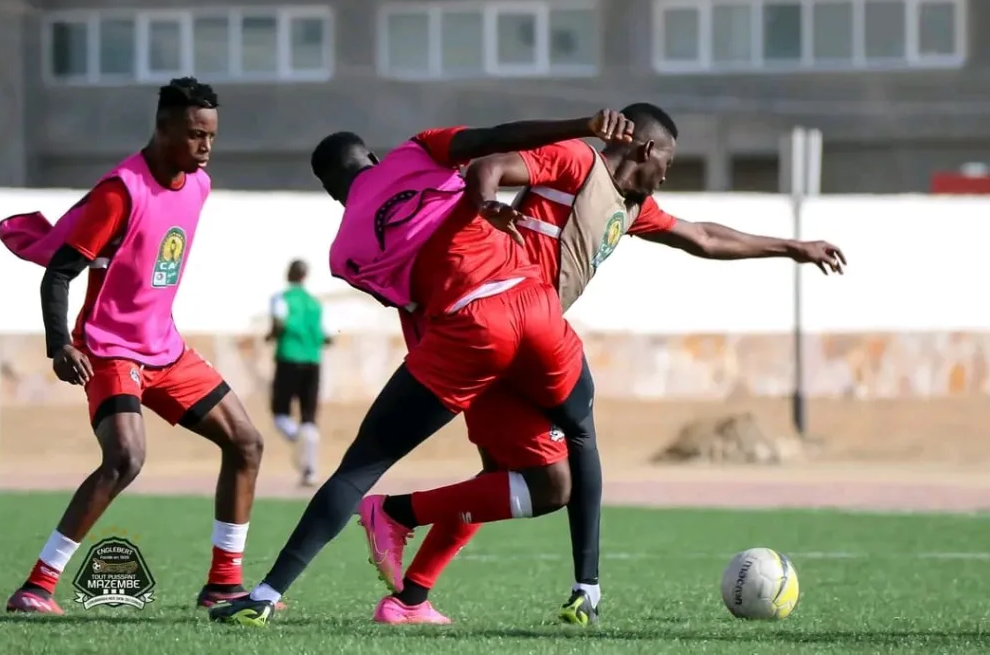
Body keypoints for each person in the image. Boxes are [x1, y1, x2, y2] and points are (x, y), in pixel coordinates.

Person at [373, 102, 846, 626]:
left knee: (504, 479)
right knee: (555, 477)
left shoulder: (632, 208)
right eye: (667, 159)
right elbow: (490, 165)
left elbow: (704, 237)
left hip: (522, 339)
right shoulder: (574, 163)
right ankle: (406, 519)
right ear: (646, 149)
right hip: (497, 324)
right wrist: (487, 204)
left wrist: (792, 247)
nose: (668, 172)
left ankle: (409, 598)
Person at [208, 109, 635, 627]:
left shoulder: (345, 254)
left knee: (359, 468)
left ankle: (268, 593)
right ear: (372, 158)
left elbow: (416, 310)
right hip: (536, 307)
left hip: (469, 334)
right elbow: (499, 138)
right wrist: (586, 124)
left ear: (331, 192)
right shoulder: (418, 151)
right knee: (580, 436)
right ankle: (586, 585)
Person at [0, 77, 274, 615]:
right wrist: (59, 346)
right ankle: (36, 586)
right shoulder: (120, 190)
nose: (206, 147)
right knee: (126, 458)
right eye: (195, 135)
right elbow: (59, 275)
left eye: (212, 136)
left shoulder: (198, 185)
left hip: (165, 349)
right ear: (164, 127)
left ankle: (223, 583)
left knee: (247, 443)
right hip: (109, 349)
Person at [267, 259, 331, 487]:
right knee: (309, 416)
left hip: (288, 359)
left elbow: (279, 322)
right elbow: (327, 336)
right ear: (305, 277)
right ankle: (310, 472)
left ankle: (297, 439)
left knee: (280, 413)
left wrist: (271, 335)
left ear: (288, 274)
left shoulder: (281, 298)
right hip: (313, 362)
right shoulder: (315, 304)